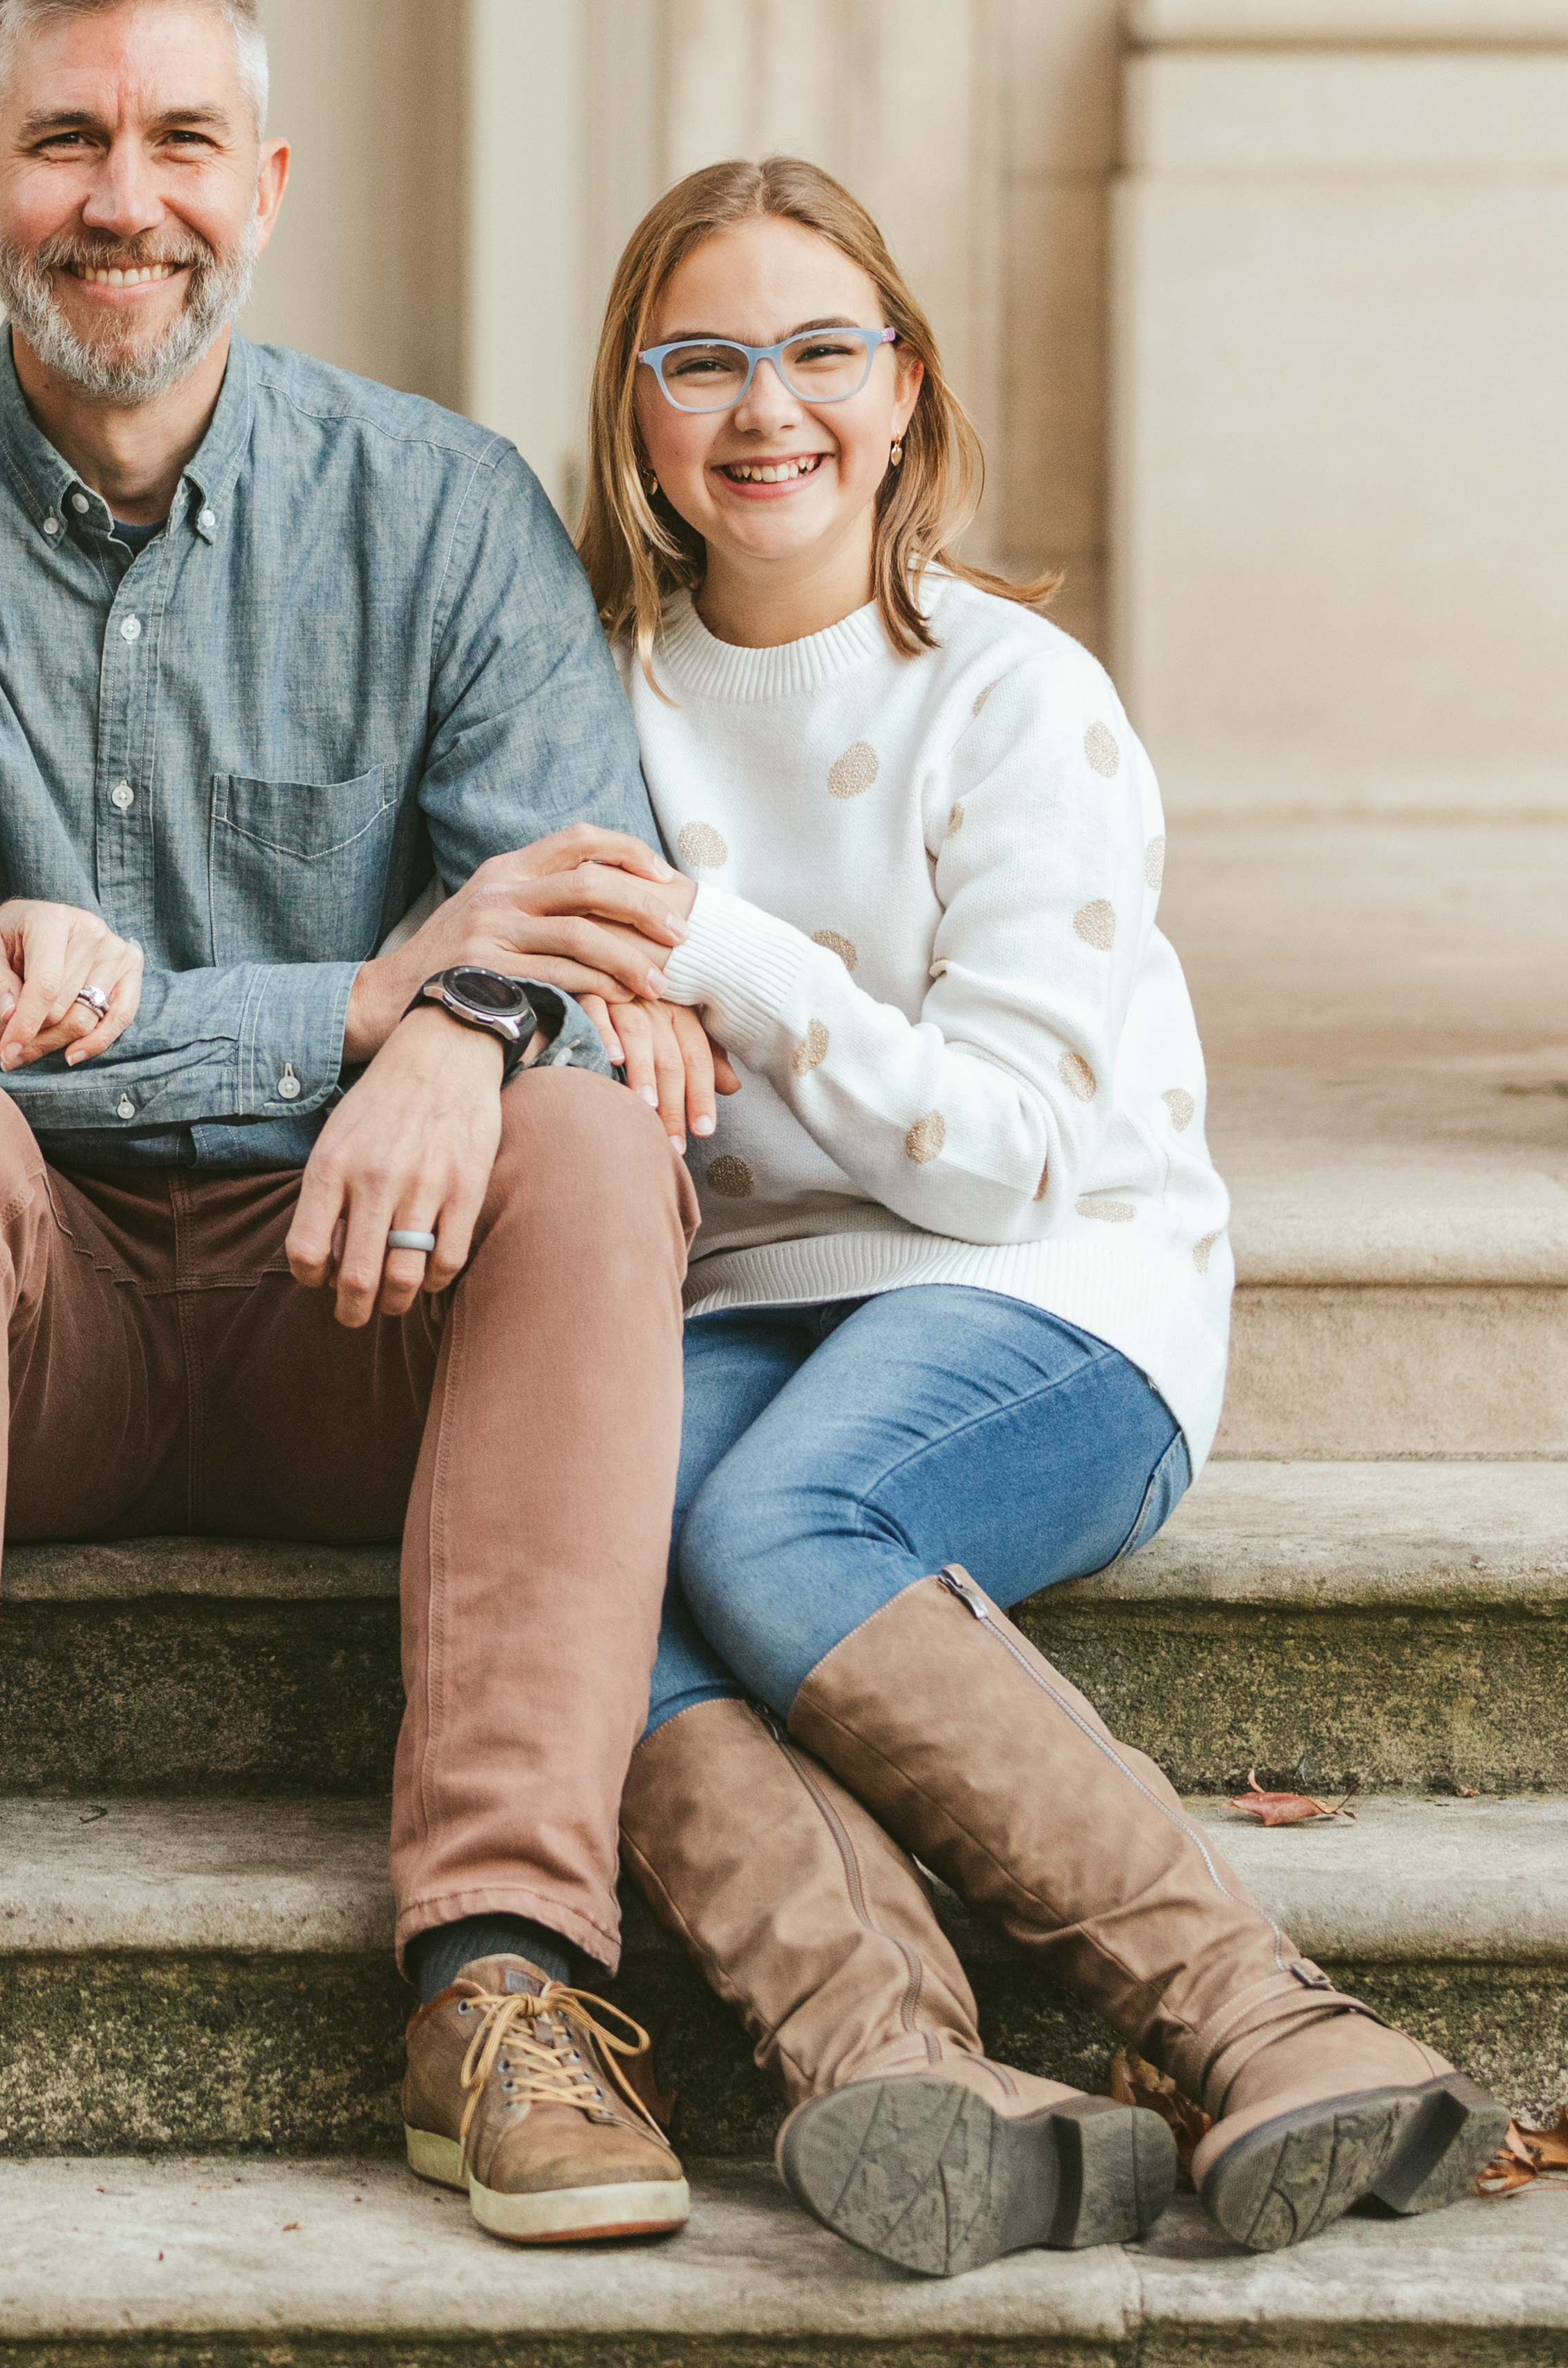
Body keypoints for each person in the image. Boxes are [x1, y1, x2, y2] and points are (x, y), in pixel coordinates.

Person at [0, 0, 720, 2253]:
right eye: (63, 140)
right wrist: (362, 1003)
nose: (118, 196)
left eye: (175, 139)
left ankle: (504, 1980)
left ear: (266, 179)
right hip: (12, 1336)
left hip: (355, 1305)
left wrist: (466, 1030)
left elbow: (579, 921)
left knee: (576, 1133)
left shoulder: (443, 504)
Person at [582, 155, 1503, 2271]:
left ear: (904, 389)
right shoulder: (592, 690)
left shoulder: (1013, 697)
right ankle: (904, 2072)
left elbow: (999, 1148)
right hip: (743, 1295)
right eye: (698, 358)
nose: (764, 408)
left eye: (821, 349)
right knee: (588, 1560)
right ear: (631, 406)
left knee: (772, 1523)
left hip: (1052, 1292)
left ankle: (1263, 2022)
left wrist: (725, 956)